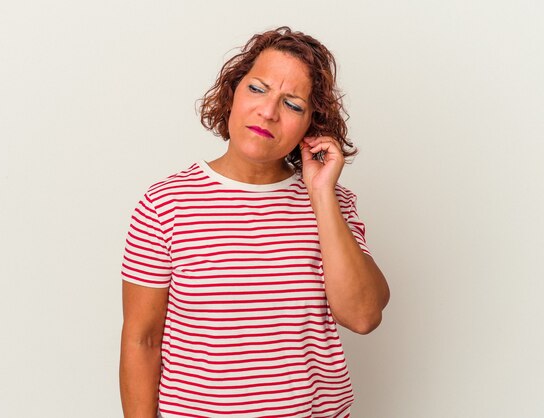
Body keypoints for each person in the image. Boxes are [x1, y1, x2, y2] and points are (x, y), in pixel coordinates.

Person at [119, 26, 390, 418]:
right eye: (258, 89)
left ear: (311, 125)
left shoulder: (333, 202)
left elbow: (363, 316)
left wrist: (320, 196)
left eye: (293, 104)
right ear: (233, 91)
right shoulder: (166, 205)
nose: (268, 111)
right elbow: (141, 340)